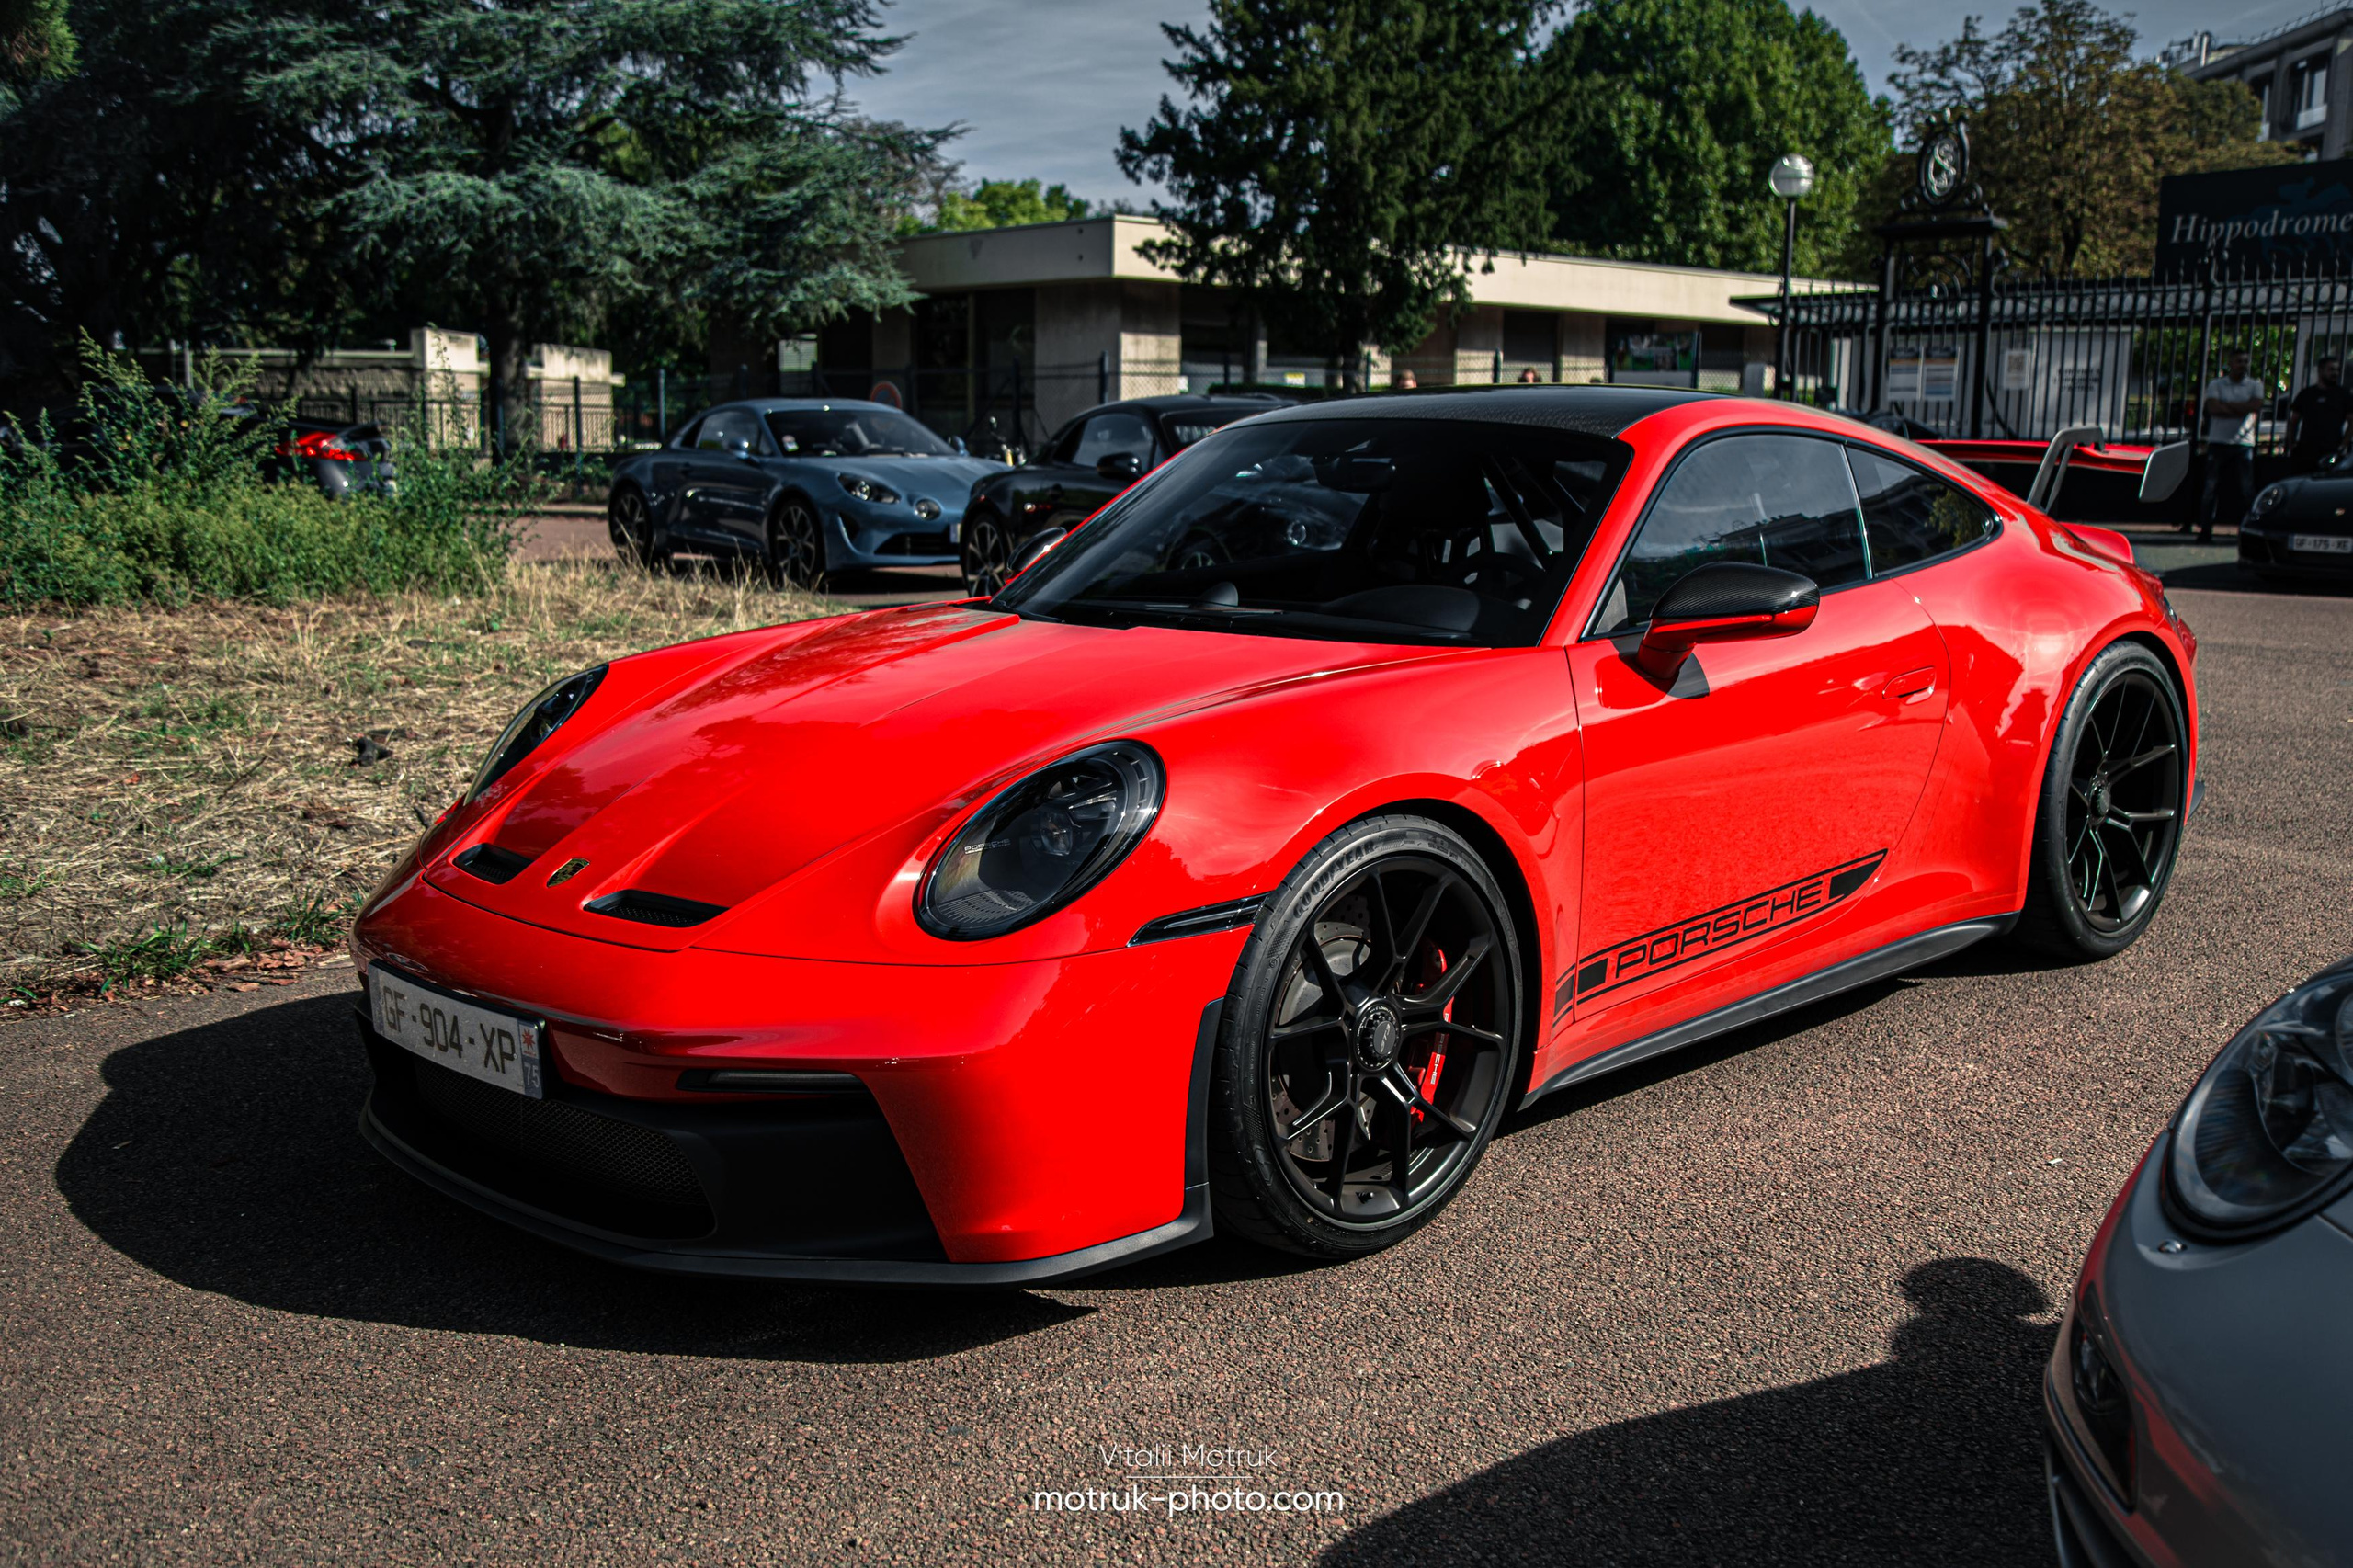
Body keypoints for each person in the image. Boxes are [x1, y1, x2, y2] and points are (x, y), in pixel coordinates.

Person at [2196, 350, 2266, 543]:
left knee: (2247, 489)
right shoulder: (2216, 384)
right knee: (2210, 488)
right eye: (2239, 361)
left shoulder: (2255, 385)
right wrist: (2242, 407)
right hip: (2218, 441)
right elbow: (2213, 408)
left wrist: (2227, 406)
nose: (2243, 365)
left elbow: (2255, 406)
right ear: (2230, 363)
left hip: (2244, 443)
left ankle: (2250, 531)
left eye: (2245, 361)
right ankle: (2205, 530)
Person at [2285, 356, 2353, 474]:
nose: (2335, 373)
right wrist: (2291, 444)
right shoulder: (2307, 394)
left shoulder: (2343, 395)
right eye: (2331, 369)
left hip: (2331, 449)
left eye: (2337, 370)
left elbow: (2351, 422)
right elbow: (2294, 420)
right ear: (2320, 370)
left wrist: (2343, 446)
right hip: (2306, 450)